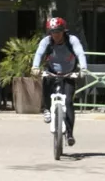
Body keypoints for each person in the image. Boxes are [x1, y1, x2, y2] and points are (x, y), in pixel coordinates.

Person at [31, 16, 88, 147]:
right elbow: (39, 54)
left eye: (58, 31)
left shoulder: (72, 40)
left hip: (69, 73)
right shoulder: (46, 41)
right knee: (46, 86)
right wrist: (35, 67)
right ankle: (46, 109)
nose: (55, 35)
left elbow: (80, 53)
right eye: (52, 32)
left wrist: (83, 69)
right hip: (52, 72)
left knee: (68, 102)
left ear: (64, 31)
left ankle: (69, 134)